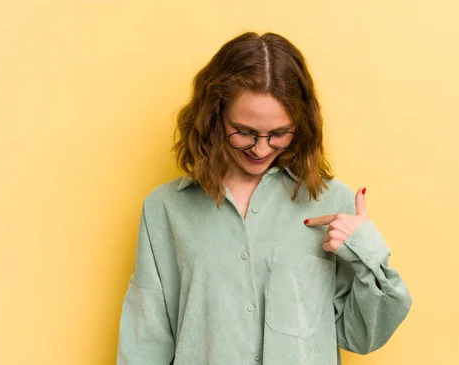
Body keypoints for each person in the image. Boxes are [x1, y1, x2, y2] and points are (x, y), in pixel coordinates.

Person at [116, 32, 412, 365]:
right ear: (215, 116)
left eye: (278, 134)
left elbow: (362, 337)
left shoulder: (331, 203)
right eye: (244, 131)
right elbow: (145, 342)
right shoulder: (166, 209)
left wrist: (364, 249)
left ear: (300, 125)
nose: (260, 149)